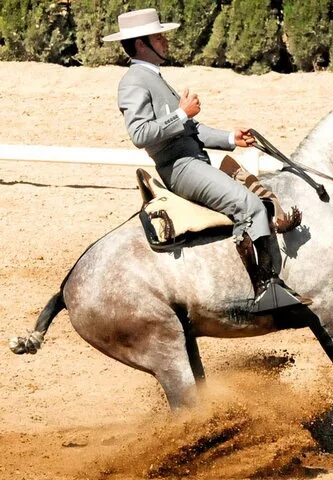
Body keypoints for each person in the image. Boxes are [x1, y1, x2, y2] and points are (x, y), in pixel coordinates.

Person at [102, 8, 310, 314]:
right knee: (250, 205)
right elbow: (140, 133)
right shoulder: (133, 81)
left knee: (257, 194)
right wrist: (181, 113)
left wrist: (229, 138)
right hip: (181, 167)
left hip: (193, 161)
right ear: (141, 43)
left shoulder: (154, 78)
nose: (165, 41)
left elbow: (191, 129)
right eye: (158, 36)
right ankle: (267, 287)